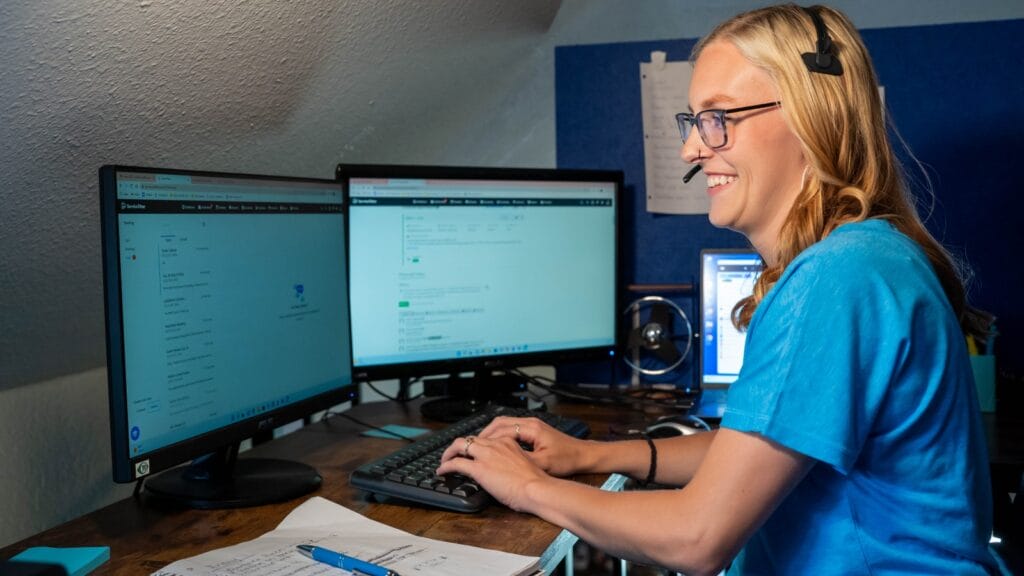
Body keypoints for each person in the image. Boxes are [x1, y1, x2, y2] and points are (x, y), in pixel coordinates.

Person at [437, 4, 997, 575]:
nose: (692, 149)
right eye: (695, 121)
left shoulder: (838, 279)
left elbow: (696, 539)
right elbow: (752, 454)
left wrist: (527, 486)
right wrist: (590, 454)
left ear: (812, 117)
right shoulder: (870, 256)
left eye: (719, 117)